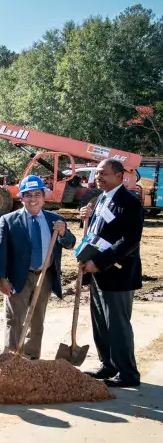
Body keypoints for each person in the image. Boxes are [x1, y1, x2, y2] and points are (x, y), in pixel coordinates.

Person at [0, 174, 76, 360]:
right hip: (17, 277)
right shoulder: (9, 220)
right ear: (21, 197)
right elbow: (0, 251)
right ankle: (12, 357)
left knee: (37, 320)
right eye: (28, 195)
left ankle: (31, 357)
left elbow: (70, 243)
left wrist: (63, 233)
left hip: (44, 277)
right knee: (15, 319)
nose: (33, 199)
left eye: (37, 194)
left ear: (44, 197)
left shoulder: (55, 220)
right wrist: (2, 279)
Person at [78, 158, 143, 387]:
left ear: (119, 176)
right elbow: (98, 232)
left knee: (117, 324)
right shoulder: (101, 199)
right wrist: (85, 219)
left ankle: (127, 374)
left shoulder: (129, 201)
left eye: (103, 173)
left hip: (117, 273)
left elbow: (129, 241)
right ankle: (109, 365)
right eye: (97, 173)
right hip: (97, 272)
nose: (98, 177)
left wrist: (101, 262)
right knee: (101, 323)